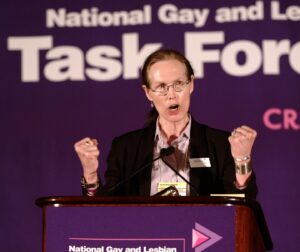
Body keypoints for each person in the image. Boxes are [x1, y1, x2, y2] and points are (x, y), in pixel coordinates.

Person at [74, 49, 258, 198]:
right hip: (145, 240)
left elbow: (242, 205)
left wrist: (242, 160)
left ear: (191, 84)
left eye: (179, 83)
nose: (171, 94)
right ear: (148, 93)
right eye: (161, 87)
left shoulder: (220, 144)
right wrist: (90, 174)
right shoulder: (126, 147)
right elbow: (102, 211)